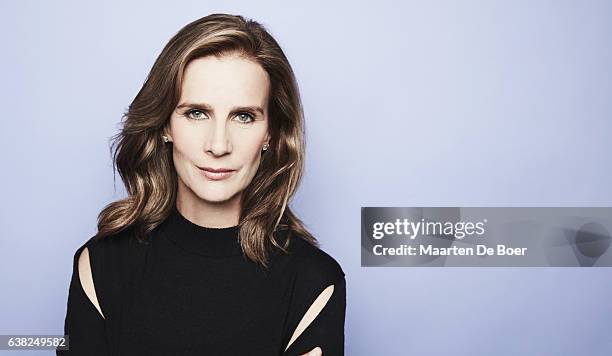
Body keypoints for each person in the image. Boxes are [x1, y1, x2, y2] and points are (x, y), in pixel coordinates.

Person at [57, 13, 346, 356]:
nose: (219, 145)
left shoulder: (312, 282)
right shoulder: (101, 265)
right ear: (165, 124)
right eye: (196, 113)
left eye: (244, 116)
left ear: (270, 134)